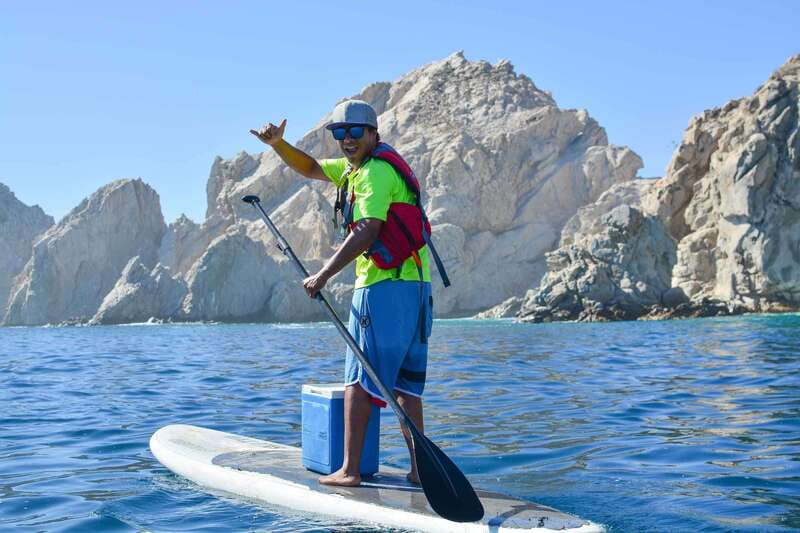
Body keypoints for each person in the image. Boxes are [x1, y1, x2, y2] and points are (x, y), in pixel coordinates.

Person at [250, 100, 433, 487]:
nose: (346, 140)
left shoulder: (373, 175)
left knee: (359, 379)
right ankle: (420, 470)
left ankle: (349, 470)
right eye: (339, 133)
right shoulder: (359, 170)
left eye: (354, 132)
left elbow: (367, 228)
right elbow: (312, 168)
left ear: (373, 134)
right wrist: (278, 146)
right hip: (416, 288)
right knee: (404, 384)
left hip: (381, 288)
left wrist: (323, 275)